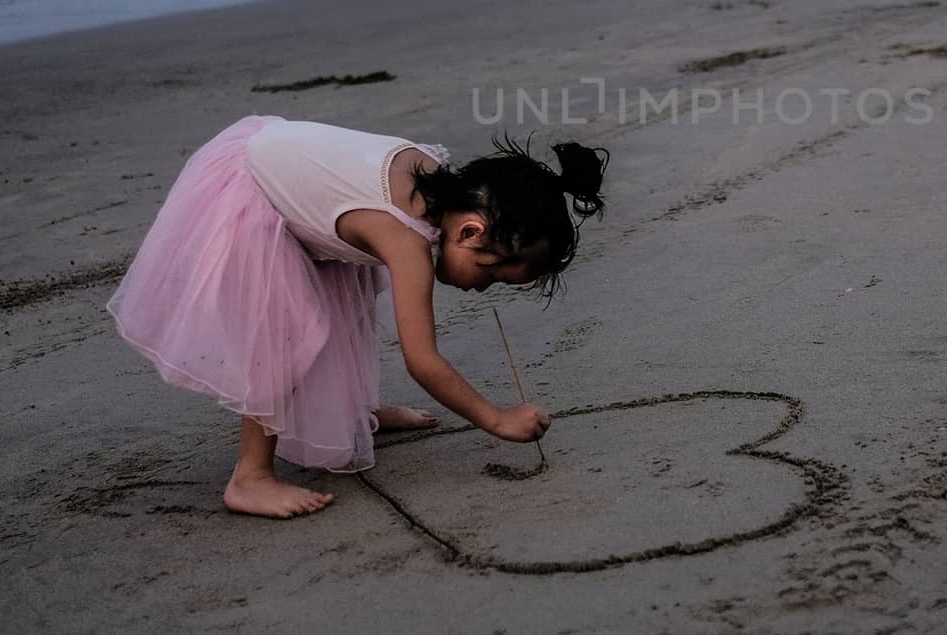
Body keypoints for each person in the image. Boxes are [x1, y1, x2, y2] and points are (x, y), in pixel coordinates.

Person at [106, 115, 607, 518]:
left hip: (284, 170)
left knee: (341, 307)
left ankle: (356, 411)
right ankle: (250, 476)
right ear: (471, 232)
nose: (482, 287)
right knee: (287, 330)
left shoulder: (437, 180)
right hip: (249, 193)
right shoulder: (405, 239)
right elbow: (423, 360)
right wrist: (497, 420)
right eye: (491, 274)